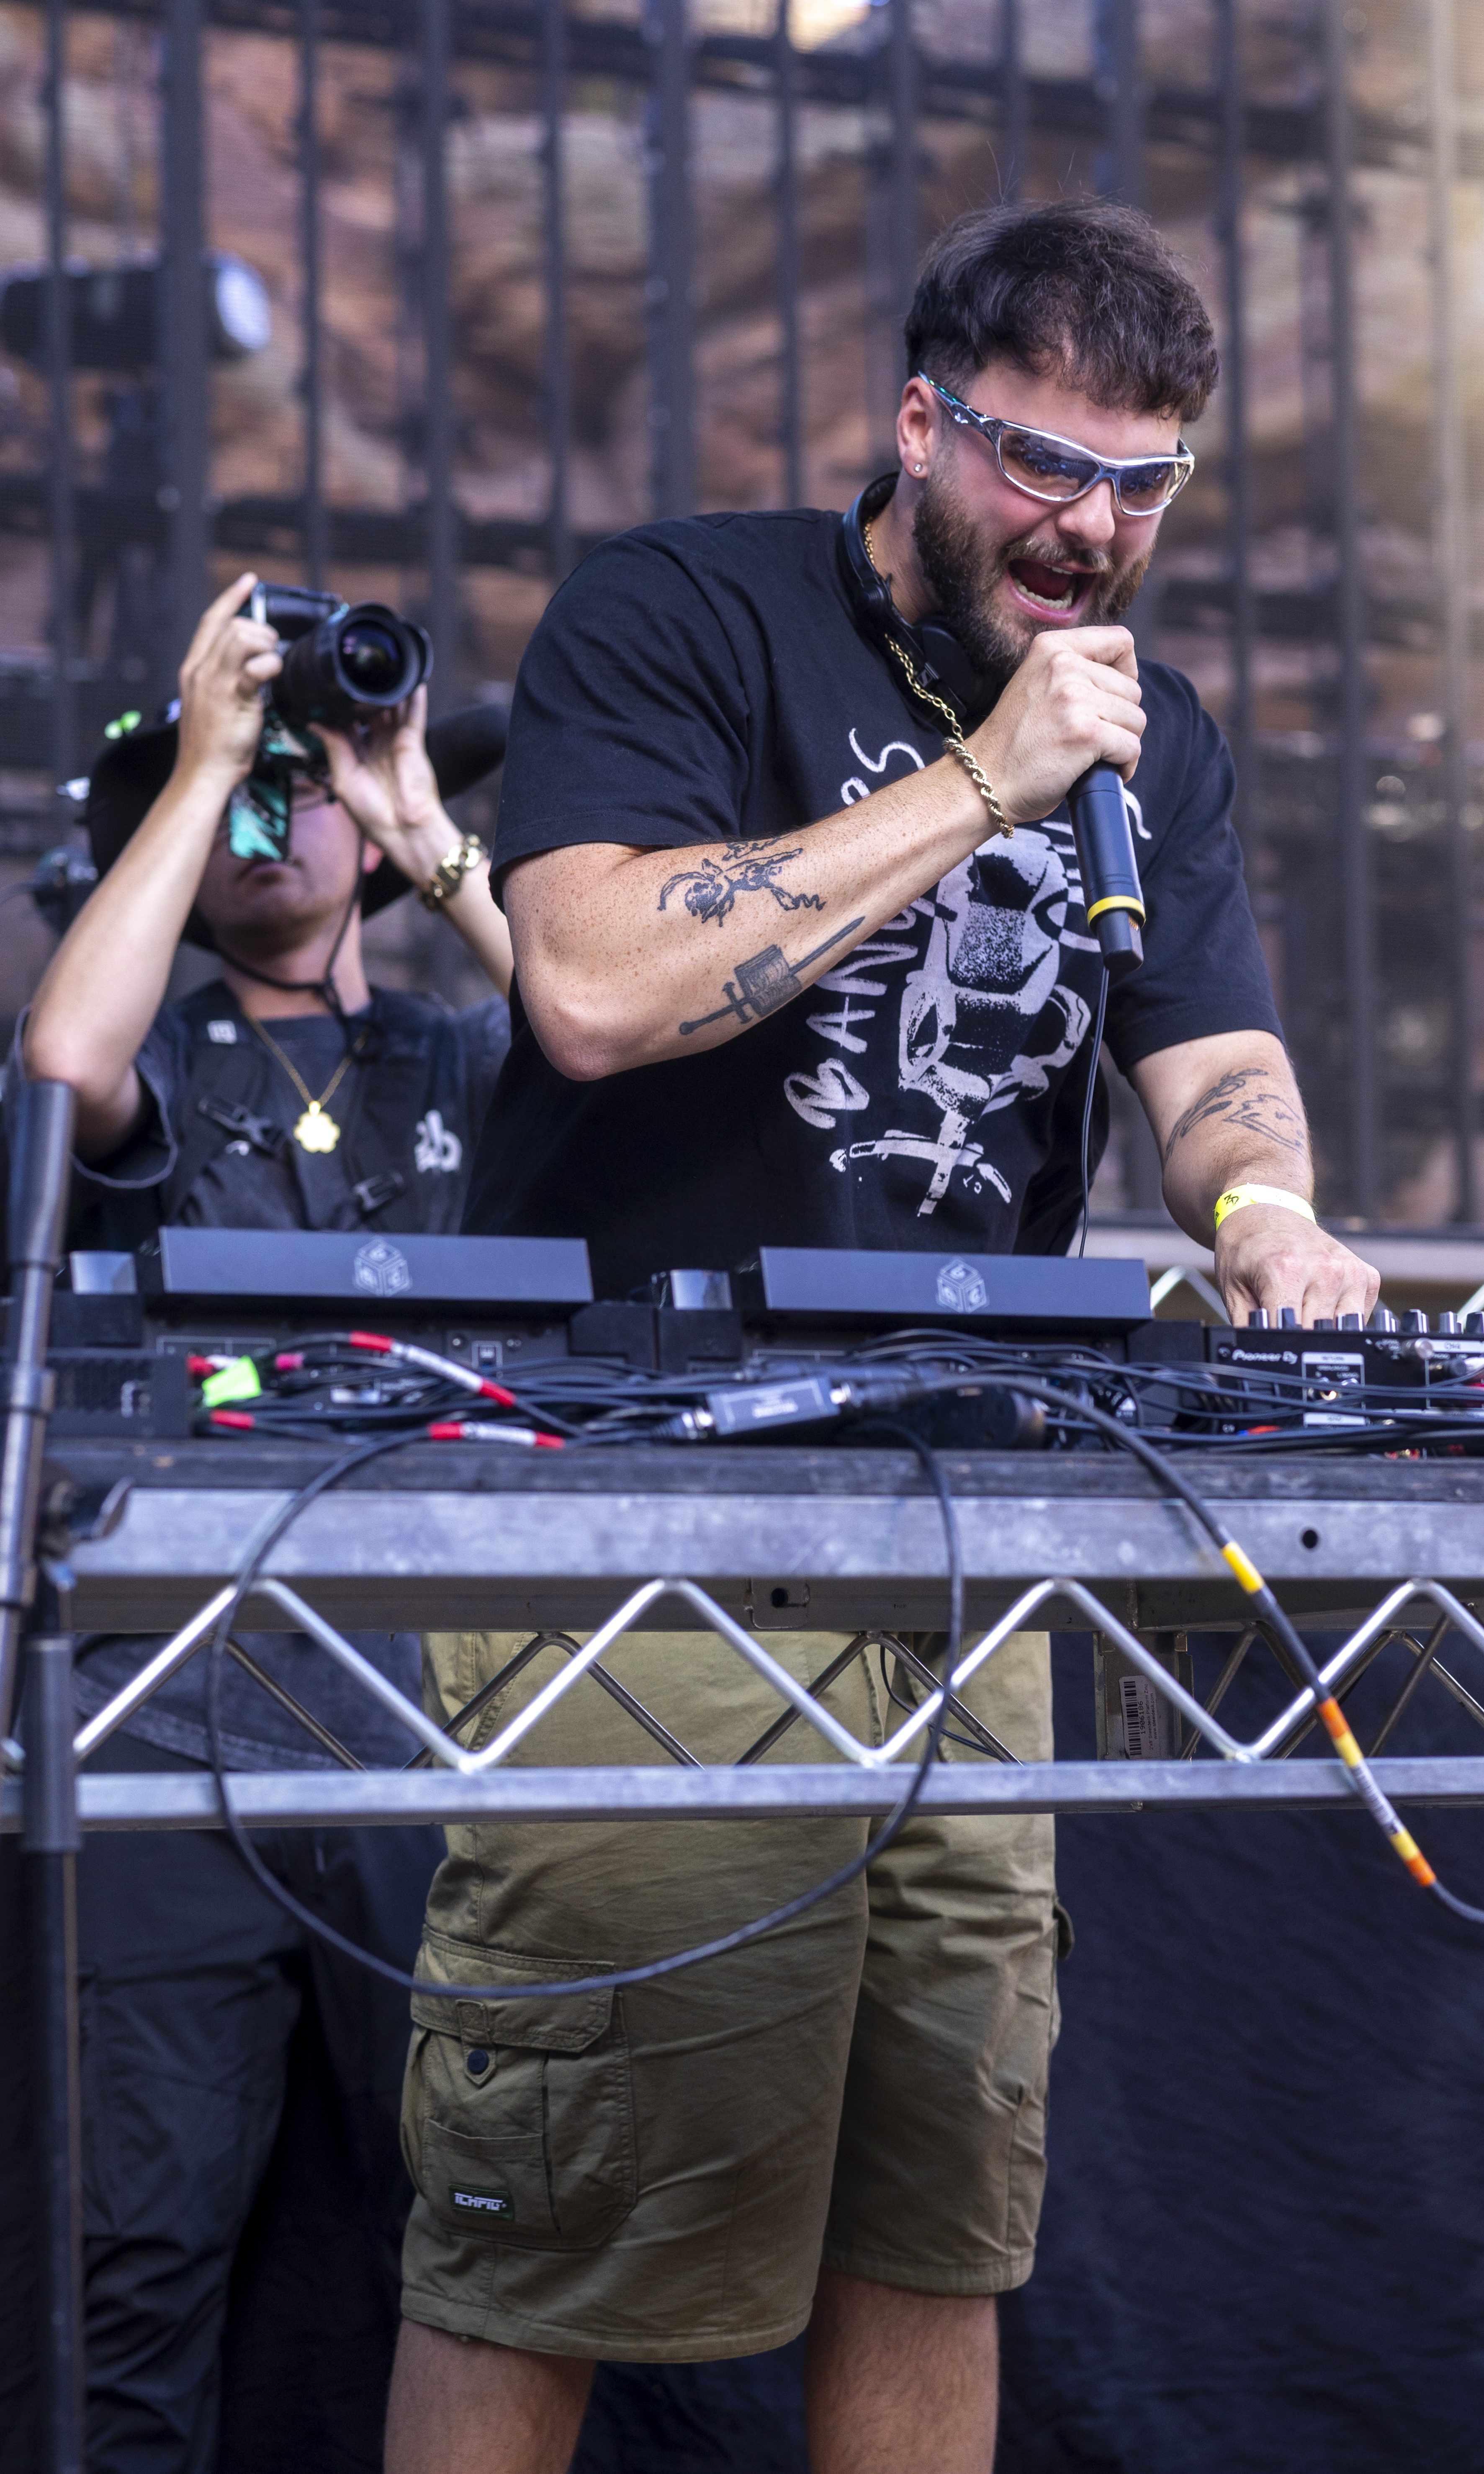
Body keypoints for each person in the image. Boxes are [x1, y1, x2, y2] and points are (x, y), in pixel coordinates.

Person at [386, 199, 1380, 2474]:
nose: (1093, 532)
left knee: (940, 2210)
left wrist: (1274, 1214)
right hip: (643, 1501)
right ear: (918, 422)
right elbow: (597, 987)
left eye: (1147, 487)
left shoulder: (1155, 730)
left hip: (966, 1524)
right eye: (1044, 466)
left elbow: (1211, 1059)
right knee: (560, 2192)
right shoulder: (682, 609)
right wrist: (975, 788)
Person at [0, 574, 515, 2474]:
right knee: (126, 2251)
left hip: (462, 1707)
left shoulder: (469, 1056)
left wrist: (414, 819)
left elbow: (617, 1029)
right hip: (174, 1697)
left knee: (498, 2242)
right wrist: (207, 751)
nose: (272, 810)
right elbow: (64, 1069)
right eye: (236, 790)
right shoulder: (166, 1051)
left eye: (303, 780)